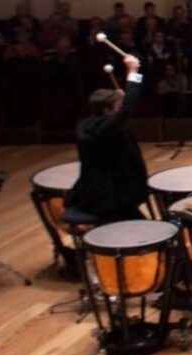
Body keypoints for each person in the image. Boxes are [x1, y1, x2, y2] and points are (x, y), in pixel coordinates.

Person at [64, 54, 149, 227]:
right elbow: (127, 111)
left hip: (98, 190)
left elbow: (121, 112)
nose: (119, 111)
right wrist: (133, 72)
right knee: (141, 230)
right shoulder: (104, 129)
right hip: (110, 197)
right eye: (116, 107)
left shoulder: (89, 124)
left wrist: (119, 99)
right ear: (106, 110)